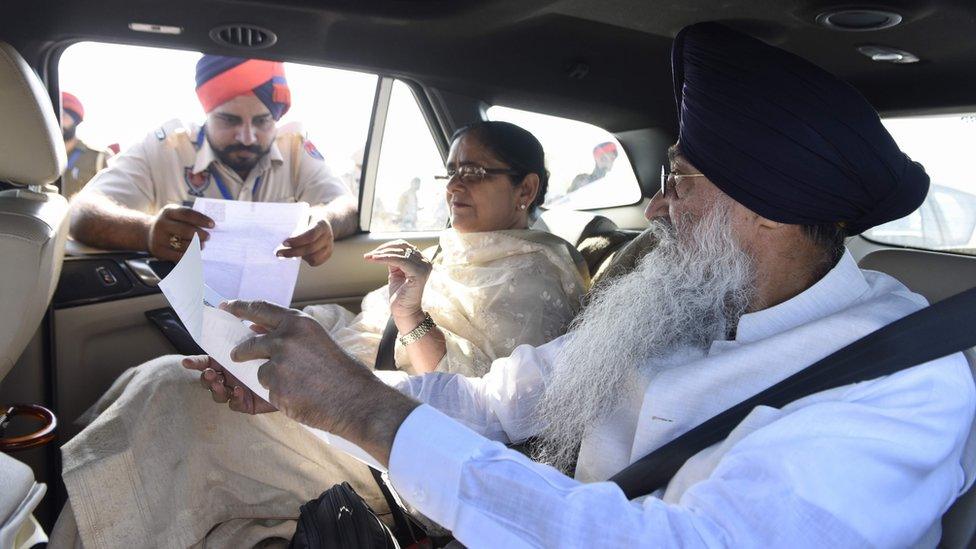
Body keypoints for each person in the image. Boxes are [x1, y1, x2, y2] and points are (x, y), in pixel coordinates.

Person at [140, 22, 973, 547]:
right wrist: (324, 390)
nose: (655, 204)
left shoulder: (902, 387)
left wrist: (366, 413)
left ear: (770, 203)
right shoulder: (680, 304)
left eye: (679, 181)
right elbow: (502, 400)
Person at [51, 122, 590, 548]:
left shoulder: (536, 278)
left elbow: (473, 423)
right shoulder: (457, 249)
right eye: (450, 171)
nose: (453, 186)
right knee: (156, 378)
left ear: (526, 188)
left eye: (474, 172)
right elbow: (368, 332)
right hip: (356, 383)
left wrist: (406, 320)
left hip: (385, 437)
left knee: (169, 393)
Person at [69, 55, 358, 266]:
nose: (247, 136)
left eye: (262, 121)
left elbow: (346, 205)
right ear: (207, 114)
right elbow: (82, 211)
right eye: (229, 120)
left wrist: (325, 222)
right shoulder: (166, 146)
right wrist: (146, 232)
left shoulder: (294, 149)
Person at [59, 92, 113, 199]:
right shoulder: (42, 154)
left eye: (63, 115)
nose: (59, 120)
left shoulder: (98, 157)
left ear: (75, 121)